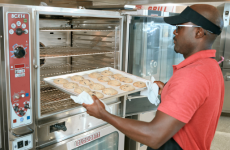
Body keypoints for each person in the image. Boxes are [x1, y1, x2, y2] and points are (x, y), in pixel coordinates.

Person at [82, 4, 225, 150]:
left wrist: (103, 114)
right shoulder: (210, 67)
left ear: (198, 32)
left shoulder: (192, 76)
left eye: (180, 27)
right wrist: (169, 90)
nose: (174, 32)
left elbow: (154, 136)